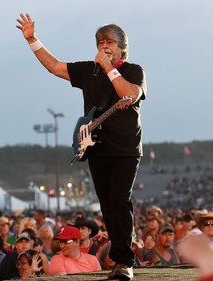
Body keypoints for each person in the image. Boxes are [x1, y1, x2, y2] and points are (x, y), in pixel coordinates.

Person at [16, 13, 147, 281]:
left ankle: (125, 262)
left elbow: (129, 94)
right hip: (95, 148)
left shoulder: (134, 70)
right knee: (108, 206)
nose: (103, 46)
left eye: (109, 41)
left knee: (121, 201)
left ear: (122, 46)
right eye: (99, 42)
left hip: (125, 149)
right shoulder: (90, 70)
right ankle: (119, 260)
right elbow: (55, 66)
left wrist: (110, 68)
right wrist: (32, 40)